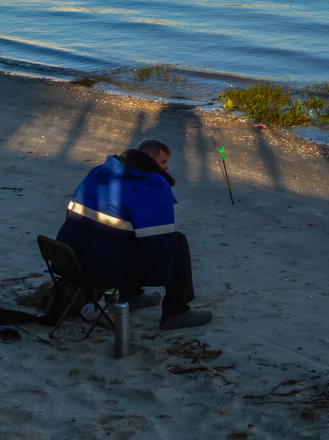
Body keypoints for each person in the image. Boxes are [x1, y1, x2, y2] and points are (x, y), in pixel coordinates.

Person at [56, 139, 212, 330]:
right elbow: (157, 241)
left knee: (122, 234)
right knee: (176, 241)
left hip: (65, 261)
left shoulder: (98, 171)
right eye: (163, 162)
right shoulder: (151, 185)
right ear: (152, 162)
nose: (167, 167)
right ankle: (176, 312)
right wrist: (158, 277)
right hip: (102, 271)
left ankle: (132, 296)